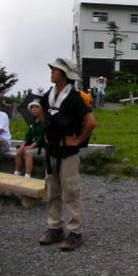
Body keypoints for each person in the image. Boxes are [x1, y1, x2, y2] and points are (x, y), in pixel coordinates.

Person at [38, 58, 97, 251]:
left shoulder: (74, 98)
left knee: (71, 191)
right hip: (52, 150)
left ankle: (75, 232)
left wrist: (78, 140)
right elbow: (46, 117)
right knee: (52, 190)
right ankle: (54, 227)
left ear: (64, 75)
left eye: (55, 70)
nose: (52, 71)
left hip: (68, 151)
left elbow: (91, 122)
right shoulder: (49, 94)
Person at [14, 100, 44, 178]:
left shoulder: (45, 121)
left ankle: (27, 175)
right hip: (34, 144)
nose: (34, 109)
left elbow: (41, 138)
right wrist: (23, 145)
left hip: (43, 146)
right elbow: (28, 135)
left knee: (28, 152)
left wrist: (31, 147)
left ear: (42, 109)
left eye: (37, 107)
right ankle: (16, 172)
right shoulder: (33, 121)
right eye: (32, 107)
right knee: (19, 151)